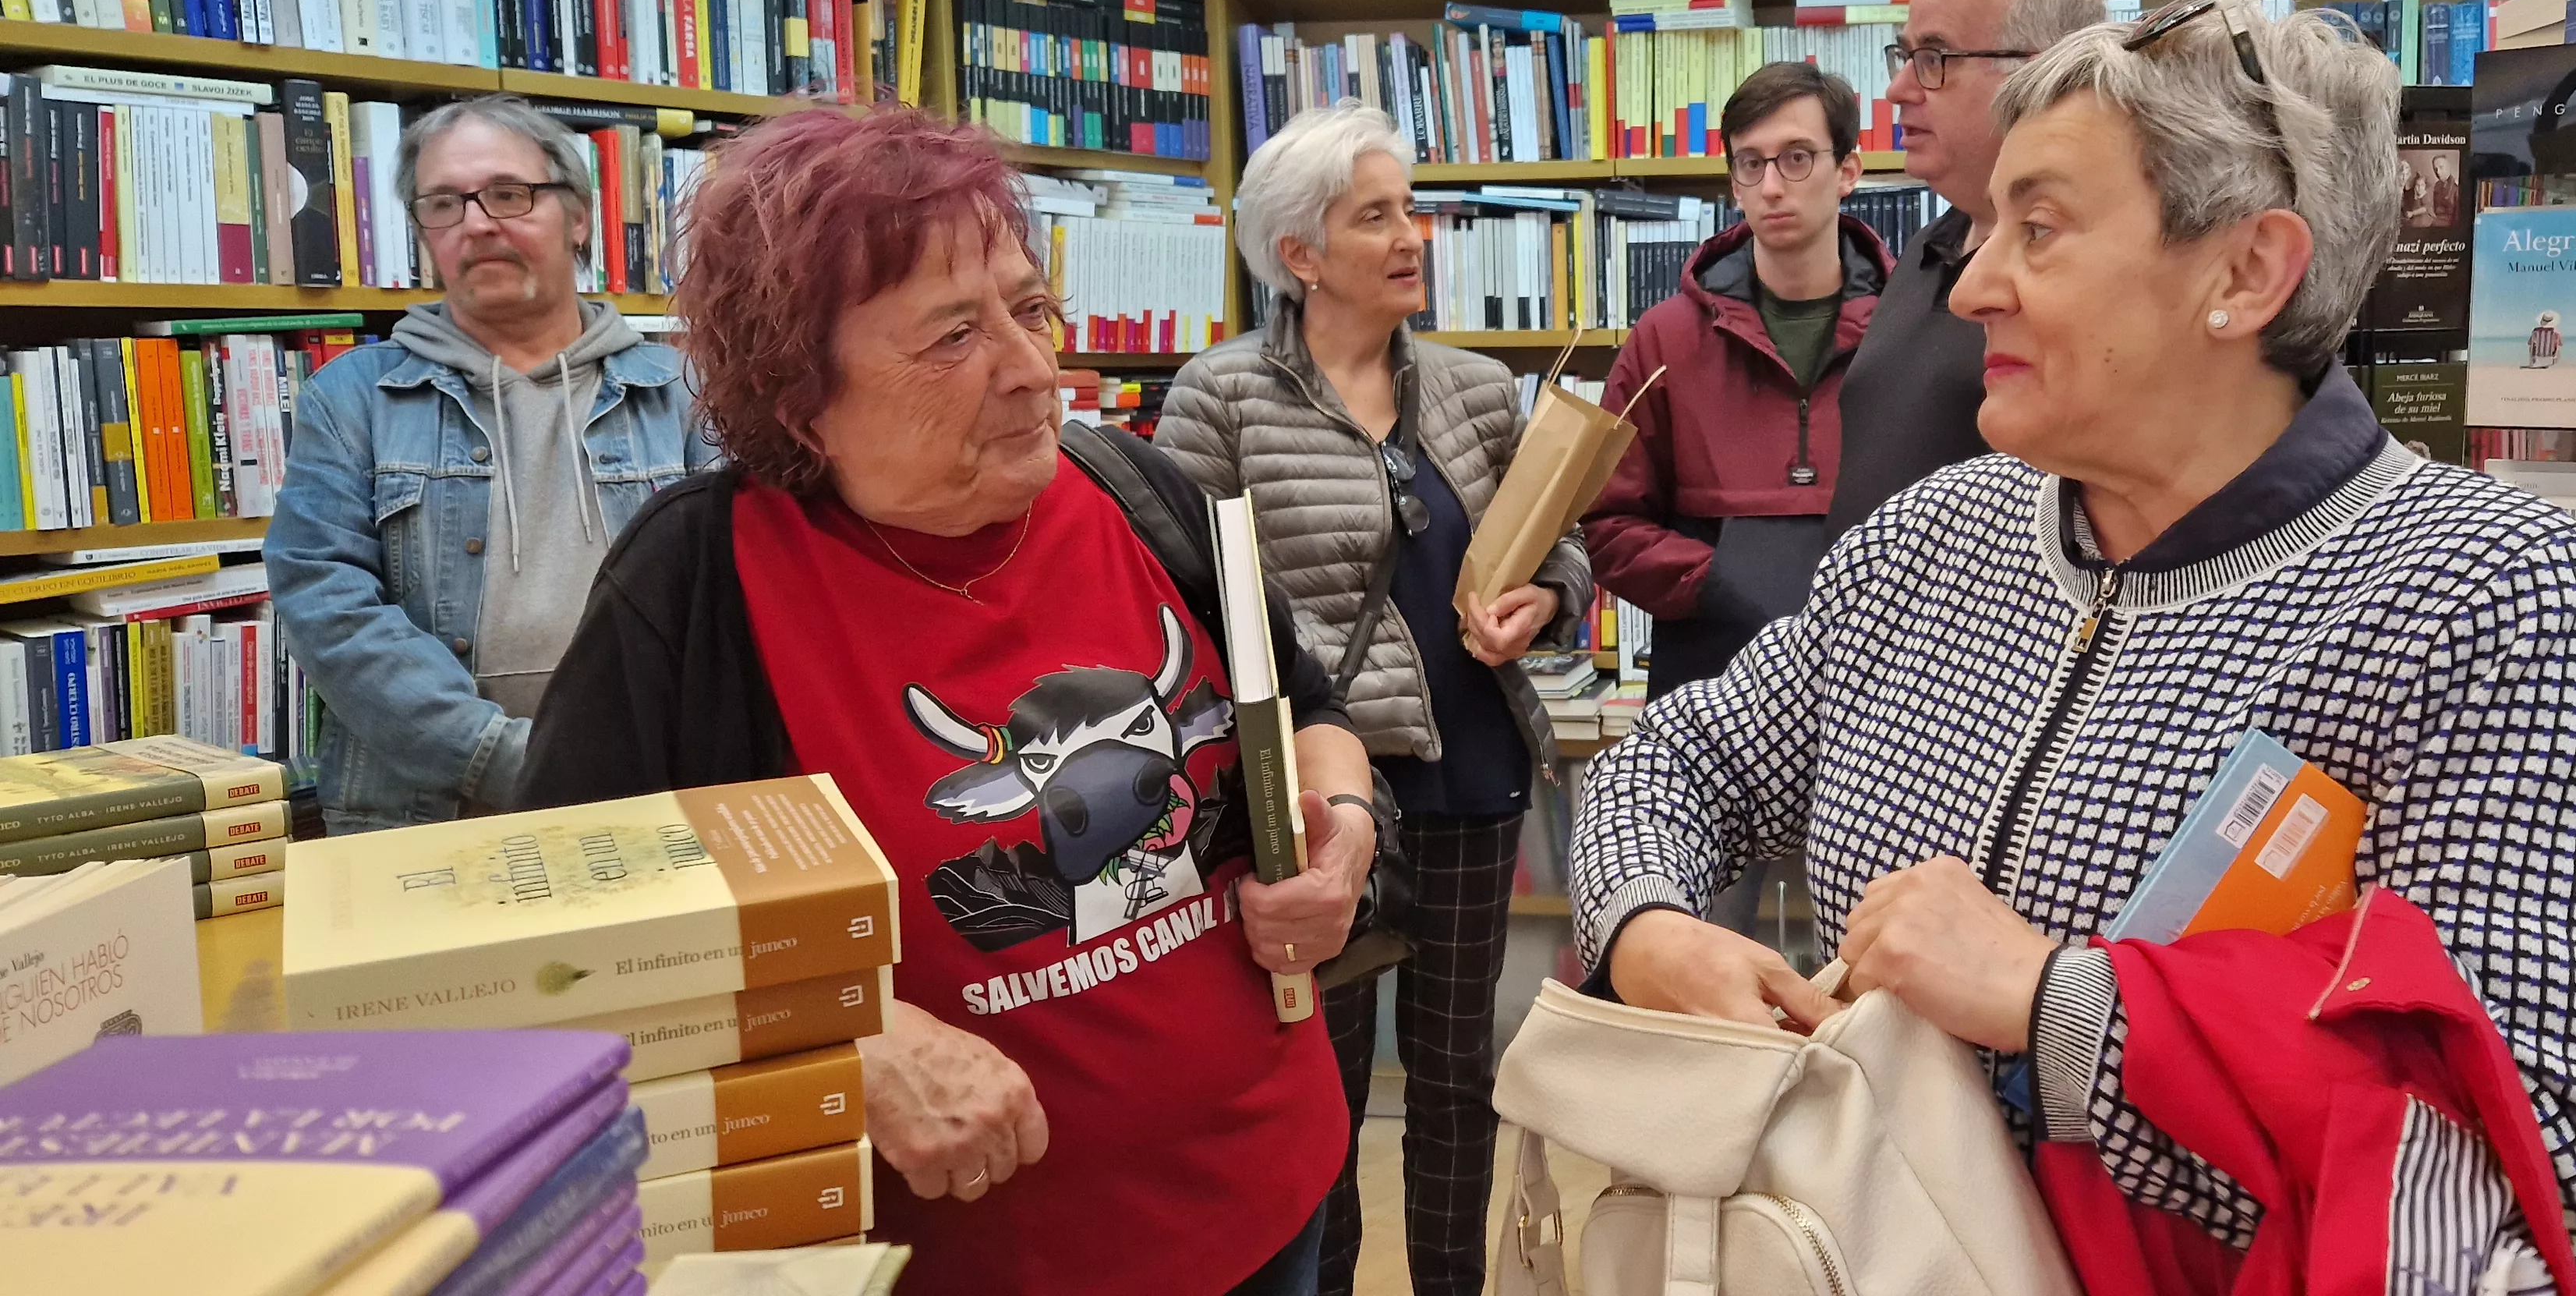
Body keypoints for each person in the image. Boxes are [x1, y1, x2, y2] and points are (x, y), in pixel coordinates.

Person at [1573, 0, 2576, 1292]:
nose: (1972, 285)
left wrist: (2057, 1004)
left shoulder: (2480, 591)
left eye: (2035, 229)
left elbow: (2556, 1159)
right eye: (1987, 230)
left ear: (2248, 271)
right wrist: (1647, 926)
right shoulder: (1929, 539)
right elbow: (1674, 765)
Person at [515, 106, 1378, 1296]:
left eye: (1030, 309)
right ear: (799, 394)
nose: (1035, 371)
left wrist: (1346, 842)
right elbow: (555, 952)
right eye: (952, 336)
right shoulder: (697, 589)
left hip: (1275, 1194)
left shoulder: (1137, 490)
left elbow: (1315, 712)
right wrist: (842, 1048)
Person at [1152, 101, 1593, 1296]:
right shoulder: (1220, 396)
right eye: (1377, 217)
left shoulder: (1476, 390)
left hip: (1472, 774)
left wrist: (1546, 602)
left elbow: (1557, 547)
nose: (1414, 237)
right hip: (1319, 796)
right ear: (1299, 253)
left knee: (1457, 1076)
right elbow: (1184, 598)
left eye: (1413, 210)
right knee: (1323, 1086)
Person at [267, 94, 711, 833]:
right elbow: (328, 607)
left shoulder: (686, 396)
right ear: (423, 235)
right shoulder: (350, 399)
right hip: (425, 814)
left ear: (579, 218)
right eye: (444, 203)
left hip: (655, 797)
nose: (477, 223)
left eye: (508, 194)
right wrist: (511, 761)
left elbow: (734, 606)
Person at [1584, 59, 1891, 699]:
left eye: (1798, 158)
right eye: (1752, 164)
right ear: (1734, 183)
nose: (1773, 185)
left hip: (1887, 689)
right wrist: (1720, 579)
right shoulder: (1663, 338)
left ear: (1850, 172)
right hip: (1712, 683)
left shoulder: (1912, 327)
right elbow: (1608, 523)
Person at [1822, 0, 2104, 540]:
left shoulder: (2092, 273)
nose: (1898, 88)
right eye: (1904, 54)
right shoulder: (1923, 249)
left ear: (2041, 71)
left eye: (1934, 56)